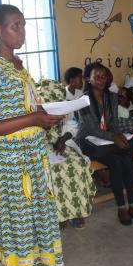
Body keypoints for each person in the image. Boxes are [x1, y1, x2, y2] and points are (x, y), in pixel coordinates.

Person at [0, 4, 65, 266]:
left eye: (24, 25)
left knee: (37, 220)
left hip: (32, 157)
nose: (22, 31)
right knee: (18, 225)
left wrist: (43, 116)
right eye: (16, 26)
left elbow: (20, 110)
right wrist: (33, 118)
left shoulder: (18, 66)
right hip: (9, 164)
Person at [77, 62, 133, 226]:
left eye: (104, 76)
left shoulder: (112, 97)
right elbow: (92, 129)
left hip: (108, 140)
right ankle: (122, 208)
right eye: (97, 77)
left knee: (126, 155)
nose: (101, 79)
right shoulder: (83, 100)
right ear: (89, 79)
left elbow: (114, 123)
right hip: (89, 142)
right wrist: (114, 138)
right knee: (118, 159)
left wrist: (118, 135)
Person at [36, 79, 96, 231]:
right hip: (41, 149)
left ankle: (76, 212)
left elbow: (72, 125)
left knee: (78, 165)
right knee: (52, 171)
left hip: (61, 145)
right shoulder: (34, 114)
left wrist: (63, 138)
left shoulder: (65, 108)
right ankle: (58, 215)